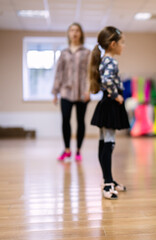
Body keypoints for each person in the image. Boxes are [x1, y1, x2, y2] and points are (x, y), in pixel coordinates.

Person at [88, 26, 130, 200]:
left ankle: (109, 179)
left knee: (104, 142)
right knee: (109, 144)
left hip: (106, 103)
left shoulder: (105, 59)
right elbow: (106, 80)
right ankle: (107, 184)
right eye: (122, 43)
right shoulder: (111, 61)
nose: (123, 46)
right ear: (113, 44)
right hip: (110, 103)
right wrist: (116, 95)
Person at [52, 23, 91, 162]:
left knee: (81, 121)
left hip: (82, 93)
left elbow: (89, 73)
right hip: (66, 92)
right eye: (72, 30)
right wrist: (55, 92)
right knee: (65, 120)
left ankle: (78, 151)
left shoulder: (86, 52)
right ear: (69, 34)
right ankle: (67, 149)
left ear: (81, 34)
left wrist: (88, 90)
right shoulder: (64, 53)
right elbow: (59, 73)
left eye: (77, 30)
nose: (74, 33)